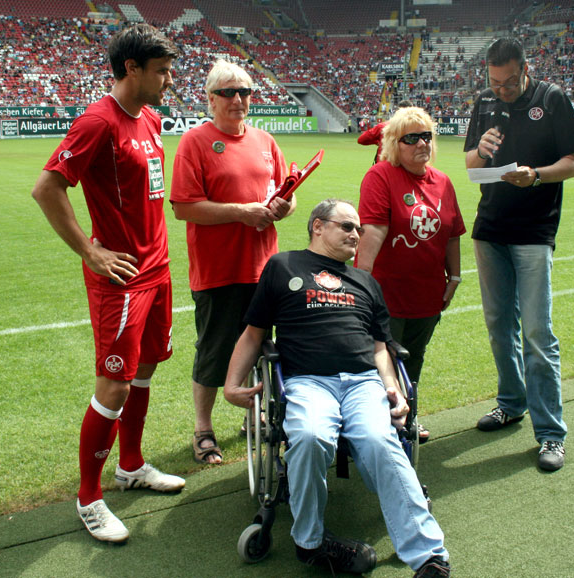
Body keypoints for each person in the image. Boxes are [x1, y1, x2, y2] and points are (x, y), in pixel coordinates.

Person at [223, 200, 451, 577]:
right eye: (347, 226)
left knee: (381, 442)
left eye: (359, 229)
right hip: (307, 381)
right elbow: (253, 334)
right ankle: (310, 543)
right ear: (317, 226)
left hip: (363, 382)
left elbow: (381, 346)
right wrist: (232, 385)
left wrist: (392, 385)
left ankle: (428, 556)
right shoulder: (283, 266)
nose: (355, 235)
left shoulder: (365, 281)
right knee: (310, 436)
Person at [31, 24, 184, 543]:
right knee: (114, 383)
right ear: (130, 69)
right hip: (121, 278)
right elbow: (47, 187)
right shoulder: (98, 121)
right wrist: (89, 250)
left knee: (143, 371)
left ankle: (132, 465)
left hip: (157, 269)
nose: (169, 79)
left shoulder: (152, 120)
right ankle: (90, 497)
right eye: (160, 70)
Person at [463, 38, 574, 471]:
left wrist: (534, 175)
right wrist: (483, 149)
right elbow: (469, 165)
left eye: (510, 82)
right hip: (490, 228)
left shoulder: (551, 99)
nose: (502, 90)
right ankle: (511, 402)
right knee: (499, 325)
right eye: (495, 83)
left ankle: (551, 433)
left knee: (537, 332)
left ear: (525, 69)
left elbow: (573, 163)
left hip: (534, 232)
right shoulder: (483, 101)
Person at [170, 59, 295, 465]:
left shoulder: (265, 141)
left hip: (264, 268)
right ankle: (203, 429)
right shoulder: (195, 142)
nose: (239, 99)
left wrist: (283, 208)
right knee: (214, 351)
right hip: (219, 271)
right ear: (210, 99)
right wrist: (242, 212)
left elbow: (284, 199)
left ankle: (253, 414)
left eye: (245, 92)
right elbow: (185, 208)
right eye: (229, 92)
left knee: (262, 346)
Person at [355, 106, 465, 444]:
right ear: (393, 143)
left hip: (427, 295)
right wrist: (361, 286)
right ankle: (381, 427)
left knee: (413, 360)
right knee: (382, 362)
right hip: (387, 295)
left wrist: (455, 278)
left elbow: (452, 233)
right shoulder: (382, 176)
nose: (422, 144)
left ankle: (409, 417)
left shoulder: (442, 181)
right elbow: (372, 232)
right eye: (412, 138)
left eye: (427, 136)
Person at [357, 99, 413, 164]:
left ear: (397, 111)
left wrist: (379, 141)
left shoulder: (383, 126)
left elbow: (361, 139)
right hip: (406, 168)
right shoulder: (417, 129)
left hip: (383, 167)